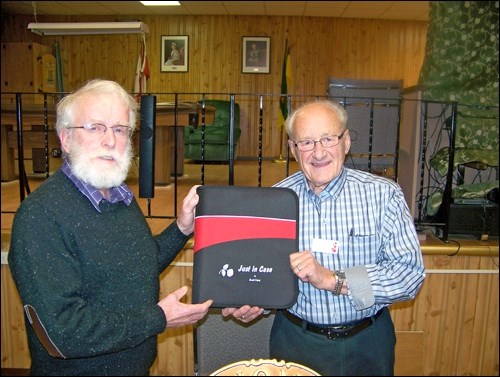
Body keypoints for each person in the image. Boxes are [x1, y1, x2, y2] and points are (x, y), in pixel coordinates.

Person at [8, 79, 213, 376]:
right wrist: (157, 318)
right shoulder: (40, 216)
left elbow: (135, 267)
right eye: (95, 127)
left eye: (120, 129)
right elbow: (64, 331)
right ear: (65, 138)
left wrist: (182, 228)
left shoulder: (118, 196)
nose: (110, 141)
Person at [222, 100, 425, 376]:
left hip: (368, 343)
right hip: (296, 342)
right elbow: (267, 275)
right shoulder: (275, 201)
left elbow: (408, 276)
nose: (318, 152)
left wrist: (333, 280)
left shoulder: (383, 196)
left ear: (346, 141)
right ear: (293, 149)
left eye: (328, 139)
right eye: (306, 142)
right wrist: (255, 301)